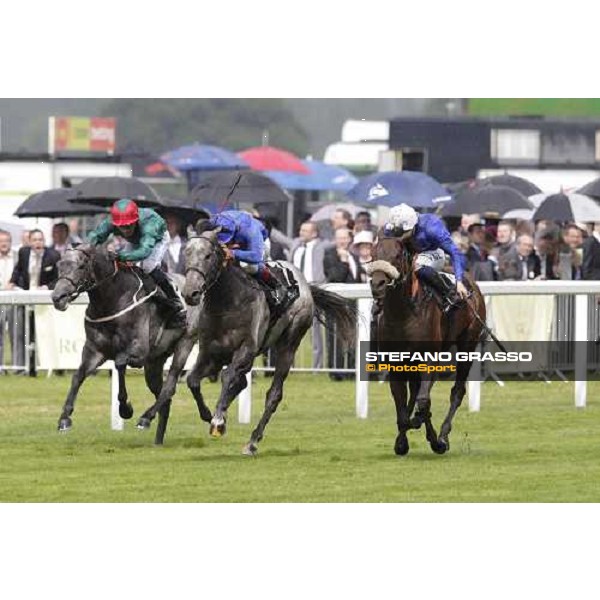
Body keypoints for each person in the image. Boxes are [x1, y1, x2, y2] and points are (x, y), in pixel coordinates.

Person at [87, 199, 186, 328]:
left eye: (129, 225)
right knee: (121, 265)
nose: (125, 229)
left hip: (157, 239)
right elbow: (95, 235)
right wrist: (85, 248)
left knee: (148, 267)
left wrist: (121, 256)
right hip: (136, 240)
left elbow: (144, 251)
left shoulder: (149, 225)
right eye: (121, 226)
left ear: (136, 220)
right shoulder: (111, 221)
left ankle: (174, 298)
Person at [195, 209, 295, 313]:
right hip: (237, 241)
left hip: (259, 244)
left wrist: (233, 253)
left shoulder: (251, 231)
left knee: (249, 266)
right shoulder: (216, 221)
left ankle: (276, 286)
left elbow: (256, 256)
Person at [383, 204, 469, 312]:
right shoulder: (393, 225)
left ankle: (449, 294)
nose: (400, 237)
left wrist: (459, 281)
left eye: (403, 233)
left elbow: (455, 252)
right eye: (397, 233)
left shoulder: (432, 228)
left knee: (418, 264)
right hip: (411, 253)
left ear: (413, 225)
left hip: (433, 252)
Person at [290, 221, 330, 369]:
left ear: (314, 233)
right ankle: (289, 365)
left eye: (305, 231)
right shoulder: (296, 245)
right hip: (294, 291)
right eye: (301, 230)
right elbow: (279, 238)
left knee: (316, 332)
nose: (301, 233)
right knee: (290, 330)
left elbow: (339, 242)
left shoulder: (322, 246)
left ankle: (316, 367)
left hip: (314, 290)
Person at [0, 230, 19, 373]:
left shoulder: (18, 257)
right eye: (1, 241)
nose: (4, 243)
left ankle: (18, 367)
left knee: (16, 334)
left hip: (15, 300)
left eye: (6, 240)